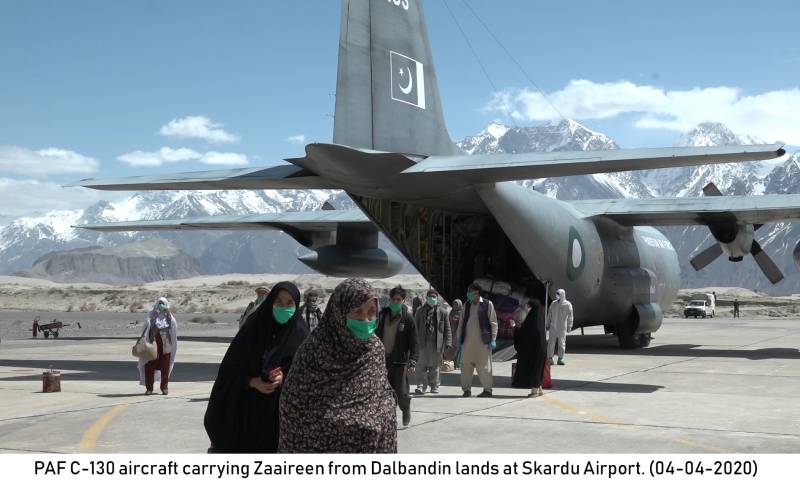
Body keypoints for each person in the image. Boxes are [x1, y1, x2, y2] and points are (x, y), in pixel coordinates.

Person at [279, 278, 397, 453]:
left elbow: (382, 398)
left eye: (371, 312)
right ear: (339, 312)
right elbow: (293, 407)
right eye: (357, 312)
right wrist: (346, 424)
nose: (365, 320)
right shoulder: (314, 350)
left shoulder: (374, 350)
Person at [204, 282, 307, 453]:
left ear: (296, 305)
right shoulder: (253, 330)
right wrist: (252, 382)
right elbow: (228, 373)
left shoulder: (302, 337)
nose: (283, 306)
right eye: (279, 301)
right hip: (246, 417)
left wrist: (285, 378)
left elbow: (309, 378)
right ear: (270, 302)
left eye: (289, 303)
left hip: (281, 422)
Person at [376, 285, 418, 426]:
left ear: (403, 300)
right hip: (383, 361)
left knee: (401, 392)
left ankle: (405, 408)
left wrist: (412, 361)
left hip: (400, 362)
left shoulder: (408, 319)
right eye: (393, 299)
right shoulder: (382, 316)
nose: (395, 302)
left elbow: (414, 343)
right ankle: (389, 419)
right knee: (385, 393)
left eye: (398, 300)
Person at [455, 283, 498, 398]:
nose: (468, 295)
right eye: (468, 292)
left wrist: (493, 339)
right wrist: (459, 338)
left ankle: (487, 390)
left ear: (477, 293)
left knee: (484, 366)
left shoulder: (488, 304)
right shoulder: (466, 305)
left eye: (470, 292)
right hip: (467, 342)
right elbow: (461, 323)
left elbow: (493, 323)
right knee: (466, 366)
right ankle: (466, 390)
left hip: (482, 342)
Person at [413, 289, 452, 395]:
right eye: (430, 297)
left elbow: (447, 328)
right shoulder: (420, 311)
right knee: (421, 365)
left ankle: (434, 386)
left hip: (437, 343)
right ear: (426, 298)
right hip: (422, 342)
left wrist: (448, 342)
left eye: (434, 297)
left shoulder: (442, 311)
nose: (432, 299)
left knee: (435, 366)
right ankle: (421, 386)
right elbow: (415, 326)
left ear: (437, 298)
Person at [137, 297, 178, 395]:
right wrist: (156, 314)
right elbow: (146, 326)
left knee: (165, 367)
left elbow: (173, 329)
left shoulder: (169, 317)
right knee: (150, 367)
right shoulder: (151, 314)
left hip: (165, 346)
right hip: (153, 346)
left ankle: (164, 387)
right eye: (159, 303)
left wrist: (167, 313)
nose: (161, 305)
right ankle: (149, 388)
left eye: (163, 303)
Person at [512, 299, 547, 397]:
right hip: (540, 349)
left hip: (535, 351)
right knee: (538, 369)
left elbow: (525, 334)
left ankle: (534, 391)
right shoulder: (538, 319)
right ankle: (539, 389)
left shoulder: (532, 321)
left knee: (535, 369)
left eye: (528, 307)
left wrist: (516, 329)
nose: (527, 309)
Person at [547, 289, 573, 366]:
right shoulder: (553, 303)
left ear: (562, 295)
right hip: (553, 326)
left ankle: (560, 358)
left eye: (558, 294)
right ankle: (550, 358)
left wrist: (569, 326)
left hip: (562, 327)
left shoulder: (567, 304)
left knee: (561, 343)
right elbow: (549, 314)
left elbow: (570, 317)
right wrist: (547, 323)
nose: (557, 295)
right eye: (556, 294)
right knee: (551, 343)